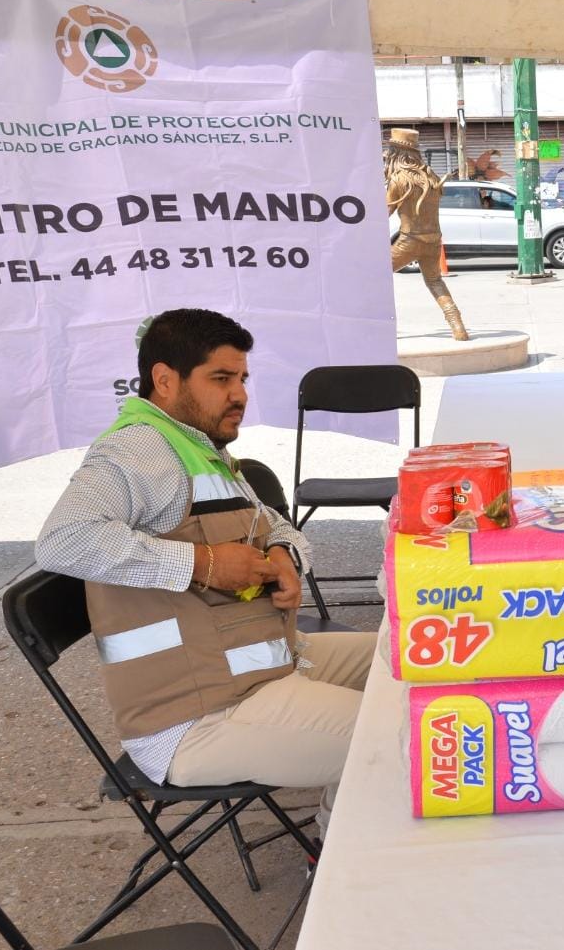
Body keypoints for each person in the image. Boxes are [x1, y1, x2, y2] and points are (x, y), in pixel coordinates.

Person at [36, 309, 375, 841]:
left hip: (266, 667)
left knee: (406, 660)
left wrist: (285, 553)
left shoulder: (198, 448)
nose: (238, 393)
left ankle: (356, 821)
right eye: (221, 379)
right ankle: (339, 859)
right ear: (165, 380)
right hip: (195, 720)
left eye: (241, 378)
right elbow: (63, 539)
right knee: (398, 739)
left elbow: (276, 525)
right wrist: (205, 564)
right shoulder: (138, 450)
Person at [385, 128, 469, 341]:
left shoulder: (399, 180)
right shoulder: (431, 177)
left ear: (396, 154)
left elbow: (384, 212)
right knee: (435, 281)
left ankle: (378, 326)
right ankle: (458, 327)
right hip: (433, 240)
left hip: (409, 240)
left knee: (375, 277)